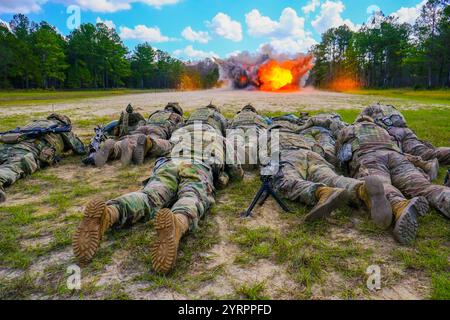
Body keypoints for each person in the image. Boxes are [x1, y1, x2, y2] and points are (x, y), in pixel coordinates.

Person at [72, 104, 243, 274]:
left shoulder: (179, 133)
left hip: (169, 163)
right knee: (192, 195)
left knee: (150, 195)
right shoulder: (220, 139)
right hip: (198, 165)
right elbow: (236, 172)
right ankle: (178, 222)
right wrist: (226, 176)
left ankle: (110, 212)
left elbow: (163, 146)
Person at [266, 114, 392, 231]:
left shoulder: (267, 133)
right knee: (330, 178)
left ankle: (322, 192)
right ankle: (361, 190)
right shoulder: (298, 132)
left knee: (284, 180)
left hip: (287, 155)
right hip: (311, 153)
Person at [336, 115, 450, 244]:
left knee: (380, 185)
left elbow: (341, 154)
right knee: (423, 186)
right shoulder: (382, 129)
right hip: (396, 157)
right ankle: (445, 196)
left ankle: (400, 205)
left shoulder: (349, 129)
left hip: (370, 156)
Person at [0, 114, 85, 203]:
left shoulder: (33, 123)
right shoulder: (61, 128)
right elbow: (80, 149)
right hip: (27, 150)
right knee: (12, 167)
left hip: (6, 147)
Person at [94, 103, 184, 167]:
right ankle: (149, 143)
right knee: (169, 144)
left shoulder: (155, 114)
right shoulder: (176, 117)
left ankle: (113, 148)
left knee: (130, 140)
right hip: (158, 131)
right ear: (177, 111)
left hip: (142, 128)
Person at [359, 103, 449, 167]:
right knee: (427, 153)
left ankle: (422, 166)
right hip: (406, 131)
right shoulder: (391, 108)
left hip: (390, 133)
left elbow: (360, 124)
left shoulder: (369, 109)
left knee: (393, 156)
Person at [227, 104, 271, 170]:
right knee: (253, 142)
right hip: (254, 128)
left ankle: (236, 154)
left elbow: (228, 125)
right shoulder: (257, 116)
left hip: (237, 128)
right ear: (254, 111)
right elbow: (268, 123)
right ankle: (250, 152)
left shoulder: (236, 116)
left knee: (233, 141)